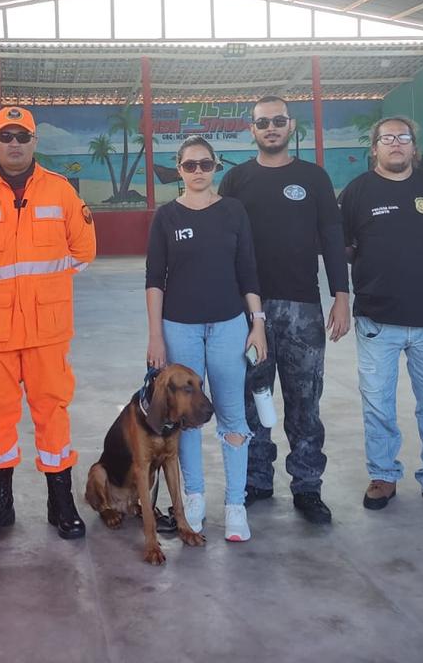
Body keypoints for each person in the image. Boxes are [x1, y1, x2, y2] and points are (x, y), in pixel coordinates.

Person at [0, 105, 97, 543]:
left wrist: (43, 285)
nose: (14, 143)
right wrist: (1, 290)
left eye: (22, 136)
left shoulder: (61, 191)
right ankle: (0, 504)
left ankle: (60, 502)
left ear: (35, 142)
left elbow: (83, 250)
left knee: (53, 414)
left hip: (48, 331)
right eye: (6, 135)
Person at [217, 95, 349, 524]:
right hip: (246, 311)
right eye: (262, 122)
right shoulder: (236, 180)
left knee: (304, 401)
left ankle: (307, 486)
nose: (270, 127)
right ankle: (256, 479)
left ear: (291, 126)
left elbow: (331, 237)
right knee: (251, 400)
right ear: (251, 129)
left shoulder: (313, 178)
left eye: (278, 121)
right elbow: (222, 245)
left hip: (302, 307)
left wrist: (341, 296)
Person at [338, 116, 423, 515]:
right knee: (377, 403)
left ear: (414, 147)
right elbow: (342, 245)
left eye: (404, 138)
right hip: (377, 319)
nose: (396, 144)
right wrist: (375, 265)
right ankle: (383, 475)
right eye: (387, 138)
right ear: (374, 148)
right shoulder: (357, 192)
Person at [146, 135, 266, 542]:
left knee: (232, 416)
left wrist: (258, 322)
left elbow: (248, 269)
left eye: (205, 164)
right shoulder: (166, 217)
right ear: (178, 169)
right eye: (189, 165)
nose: (198, 172)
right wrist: (155, 335)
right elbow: (154, 281)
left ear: (216, 167)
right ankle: (193, 499)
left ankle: (235, 504)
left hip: (229, 326)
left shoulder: (234, 212)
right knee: (188, 418)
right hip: (179, 329)